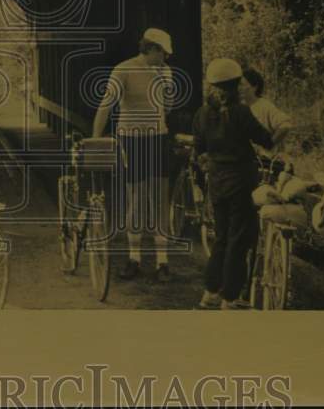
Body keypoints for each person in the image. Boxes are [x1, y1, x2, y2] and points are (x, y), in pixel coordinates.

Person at [92, 27, 174, 283]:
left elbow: (167, 106)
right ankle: (134, 258)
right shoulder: (124, 69)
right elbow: (106, 105)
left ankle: (163, 262)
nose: (166, 59)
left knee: (159, 198)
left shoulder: (165, 71)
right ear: (151, 49)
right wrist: (96, 139)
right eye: (163, 53)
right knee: (137, 197)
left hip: (158, 138)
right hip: (132, 140)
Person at [192, 57, 273, 310]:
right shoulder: (240, 111)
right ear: (234, 83)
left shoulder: (203, 112)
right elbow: (265, 140)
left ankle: (210, 294)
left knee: (222, 238)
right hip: (241, 180)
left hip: (217, 181)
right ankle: (231, 298)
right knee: (240, 240)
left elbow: (200, 147)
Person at [240, 68, 293, 145]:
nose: (239, 88)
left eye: (242, 85)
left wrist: (269, 145)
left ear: (254, 87)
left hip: (258, 155)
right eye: (238, 85)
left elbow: (285, 125)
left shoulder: (264, 106)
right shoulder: (237, 107)